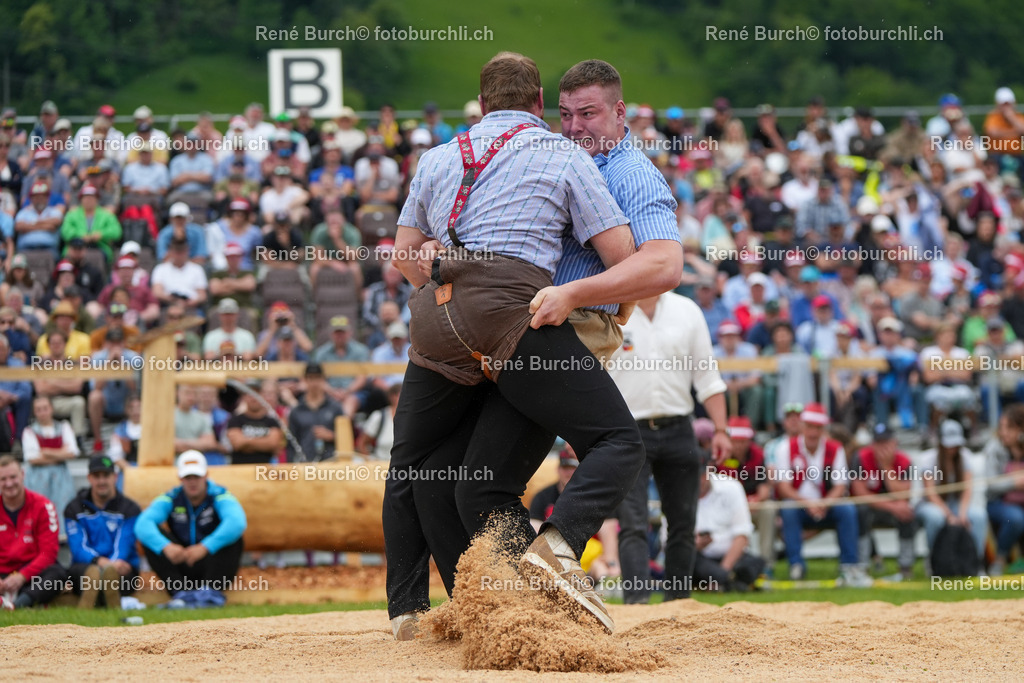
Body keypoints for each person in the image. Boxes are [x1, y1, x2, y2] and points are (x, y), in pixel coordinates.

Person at [384, 55, 682, 637]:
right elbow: (619, 255)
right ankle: (504, 607)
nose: (575, 126)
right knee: (466, 480)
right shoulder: (555, 152)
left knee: (447, 471)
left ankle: (528, 574)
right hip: (524, 326)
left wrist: (578, 296)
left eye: (590, 114)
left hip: (547, 325)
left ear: (621, 114)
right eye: (567, 114)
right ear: (544, 105)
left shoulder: (631, 172)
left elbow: (662, 263)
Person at [609, 290, 730, 604]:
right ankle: (637, 604)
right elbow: (592, 369)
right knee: (632, 523)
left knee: (682, 523)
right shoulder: (608, 305)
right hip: (626, 429)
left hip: (679, 427)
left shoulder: (686, 310)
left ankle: (678, 604)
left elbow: (707, 374)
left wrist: (720, 429)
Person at [772, 403, 871, 586]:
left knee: (848, 509)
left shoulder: (835, 449)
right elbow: (784, 487)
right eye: (809, 427)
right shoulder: (785, 448)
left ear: (823, 429)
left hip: (828, 505)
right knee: (788, 509)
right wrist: (808, 504)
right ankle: (796, 565)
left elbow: (841, 486)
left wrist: (824, 504)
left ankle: (849, 566)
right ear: (802, 426)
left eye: (817, 428)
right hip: (799, 505)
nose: (813, 432)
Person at [135, 451, 247, 605]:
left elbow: (237, 522)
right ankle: (180, 593)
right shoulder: (172, 497)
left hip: (210, 562)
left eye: (196, 476)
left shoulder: (219, 494)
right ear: (180, 478)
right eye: (188, 477)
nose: (192, 482)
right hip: (181, 560)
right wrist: (166, 547)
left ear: (206, 475)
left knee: (234, 537)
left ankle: (211, 592)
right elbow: (142, 524)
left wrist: (205, 547)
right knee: (152, 539)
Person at [528, 446, 621, 582]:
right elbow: (535, 527)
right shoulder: (543, 496)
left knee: (603, 571)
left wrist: (611, 561)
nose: (569, 473)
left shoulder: (595, 495)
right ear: (558, 469)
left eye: (573, 468)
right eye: (566, 468)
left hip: (589, 557)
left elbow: (609, 527)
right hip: (555, 556)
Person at [64, 455, 141, 608]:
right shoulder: (74, 508)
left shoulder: (130, 508)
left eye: (106, 475)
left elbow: (124, 545)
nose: (101, 481)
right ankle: (107, 596)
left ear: (115, 477)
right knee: (82, 572)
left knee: (124, 573)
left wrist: (111, 567)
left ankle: (96, 596)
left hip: (120, 567)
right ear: (89, 478)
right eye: (96, 476)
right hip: (88, 566)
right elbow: (78, 548)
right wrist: (101, 563)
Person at [0, 455, 69, 610]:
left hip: (31, 575)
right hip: (2, 574)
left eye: (13, 477)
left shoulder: (44, 506)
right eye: (3, 479)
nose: (9, 483)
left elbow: (48, 553)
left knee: (57, 574)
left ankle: (16, 605)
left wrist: (22, 576)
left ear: (22, 475)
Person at [916, 420, 988, 568]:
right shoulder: (928, 459)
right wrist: (949, 515)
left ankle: (975, 562)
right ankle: (934, 562)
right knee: (936, 517)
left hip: (956, 503)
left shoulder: (965, 456)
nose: (952, 449)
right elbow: (930, 493)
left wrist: (962, 514)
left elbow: (967, 489)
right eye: (949, 444)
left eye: (955, 444)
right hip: (929, 504)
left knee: (978, 516)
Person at [852, 425, 918, 580]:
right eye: (879, 443)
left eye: (886, 443)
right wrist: (892, 506)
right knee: (860, 512)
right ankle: (863, 565)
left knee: (907, 513)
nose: (883, 448)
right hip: (872, 508)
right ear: (872, 444)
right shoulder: (861, 458)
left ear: (895, 443)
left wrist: (886, 467)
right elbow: (859, 494)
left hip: (893, 508)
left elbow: (904, 494)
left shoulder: (904, 461)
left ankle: (905, 565)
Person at [694, 461, 766, 592]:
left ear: (709, 472)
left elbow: (742, 535)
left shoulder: (732, 487)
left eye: (702, 475)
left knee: (754, 564)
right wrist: (696, 544)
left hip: (731, 557)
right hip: (699, 558)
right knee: (691, 562)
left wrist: (723, 571)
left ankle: (723, 581)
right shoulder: (677, 490)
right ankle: (731, 581)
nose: (700, 480)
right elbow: (669, 542)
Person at [22, 395, 79, 535]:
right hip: (37, 478)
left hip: (61, 478)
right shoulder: (29, 431)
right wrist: (60, 454)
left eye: (45, 408)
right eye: (38, 409)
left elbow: (72, 452)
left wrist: (46, 452)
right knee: (39, 507)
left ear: (51, 409)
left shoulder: (63, 427)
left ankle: (62, 537)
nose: (42, 412)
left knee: (62, 506)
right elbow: (32, 458)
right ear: (35, 412)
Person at [983, 405, 1024, 576]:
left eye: (1009, 428)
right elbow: (992, 485)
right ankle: (999, 560)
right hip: (997, 502)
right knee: (1015, 518)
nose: (1003, 432)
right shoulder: (994, 449)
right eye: (1001, 427)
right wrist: (1015, 482)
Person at [287, 362, 345, 462]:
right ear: (305, 380)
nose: (314, 383)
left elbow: (347, 439)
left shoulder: (335, 408)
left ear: (323, 379)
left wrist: (332, 436)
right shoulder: (297, 411)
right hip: (305, 464)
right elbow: (291, 444)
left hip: (331, 464)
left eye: (317, 378)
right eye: (311, 378)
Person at [226, 384, 284, 465]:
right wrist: (264, 443)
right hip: (239, 471)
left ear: (263, 396)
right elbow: (237, 444)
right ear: (244, 397)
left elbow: (274, 444)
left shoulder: (272, 421)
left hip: (264, 472)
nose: (253, 398)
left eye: (256, 393)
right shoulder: (235, 419)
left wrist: (246, 441)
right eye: (249, 394)